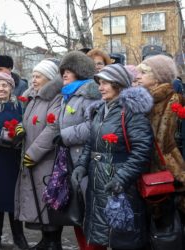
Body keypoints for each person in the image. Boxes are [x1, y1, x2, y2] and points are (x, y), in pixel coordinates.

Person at [72, 64, 153, 249]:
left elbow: (142, 151)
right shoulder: (100, 110)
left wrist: (121, 178)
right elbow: (90, 143)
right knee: (98, 235)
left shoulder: (131, 111)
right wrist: (81, 166)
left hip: (120, 185)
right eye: (100, 83)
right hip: (96, 182)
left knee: (122, 238)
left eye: (106, 83)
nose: (100, 87)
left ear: (119, 84)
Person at [13, 59, 63, 250]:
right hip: (32, 158)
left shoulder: (55, 98)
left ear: (49, 78)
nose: (33, 80)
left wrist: (33, 153)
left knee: (48, 201)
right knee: (37, 200)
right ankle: (46, 240)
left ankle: (54, 242)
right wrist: (19, 127)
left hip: (46, 160)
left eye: (38, 76)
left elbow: (53, 127)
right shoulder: (33, 97)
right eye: (32, 76)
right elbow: (29, 122)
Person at [56, 51, 103, 250]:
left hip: (87, 161)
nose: (64, 74)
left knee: (90, 215)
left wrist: (65, 135)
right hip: (71, 161)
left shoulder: (90, 93)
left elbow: (93, 126)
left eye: (69, 70)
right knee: (78, 214)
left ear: (80, 71)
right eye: (63, 71)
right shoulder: (68, 95)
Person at [136, 55, 185, 223]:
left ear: (157, 78)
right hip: (147, 167)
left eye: (143, 73)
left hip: (163, 168)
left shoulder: (169, 100)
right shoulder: (145, 99)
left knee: (164, 222)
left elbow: (161, 142)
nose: (138, 76)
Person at [0, 72, 27, 250]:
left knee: (13, 199)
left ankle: (19, 236)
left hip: (14, 160)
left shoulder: (20, 106)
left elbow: (26, 126)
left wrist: (18, 136)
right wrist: (4, 135)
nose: (1, 89)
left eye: (5, 85)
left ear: (11, 87)